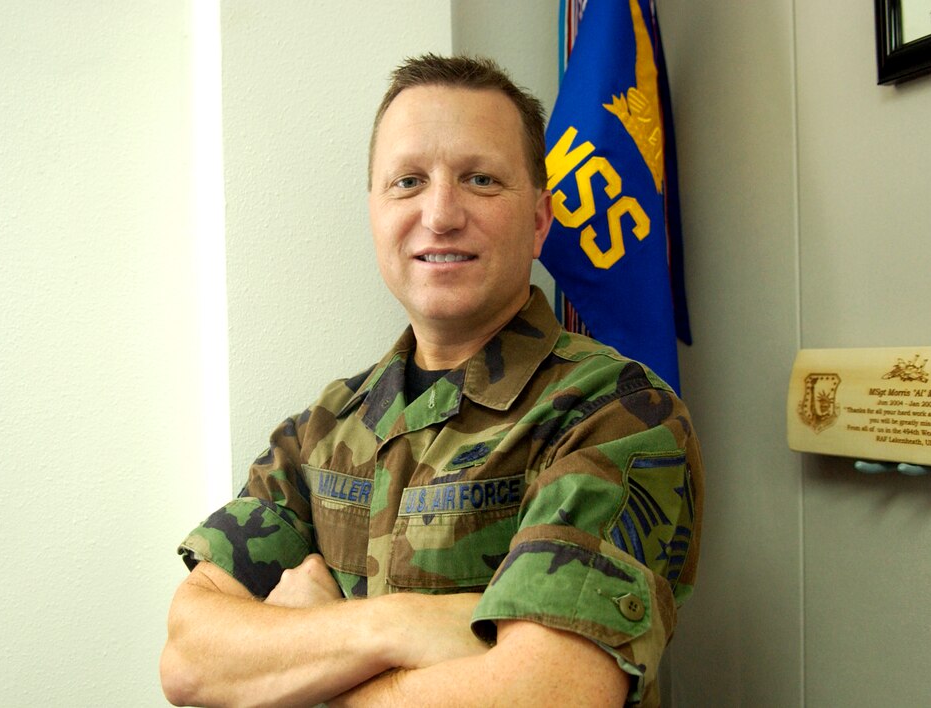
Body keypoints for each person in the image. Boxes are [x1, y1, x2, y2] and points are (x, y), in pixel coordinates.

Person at [160, 53, 703, 708]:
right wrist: (399, 625)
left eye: (480, 179)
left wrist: (300, 656)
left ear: (539, 220)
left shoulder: (615, 415)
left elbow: (552, 692)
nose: (440, 214)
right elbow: (190, 657)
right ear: (374, 212)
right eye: (408, 181)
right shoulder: (322, 430)